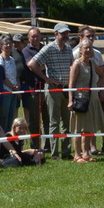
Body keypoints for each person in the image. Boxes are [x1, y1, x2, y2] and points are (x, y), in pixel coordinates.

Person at [30, 25, 76, 158]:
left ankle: (66, 153)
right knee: (54, 122)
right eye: (63, 33)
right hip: (53, 89)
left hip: (66, 88)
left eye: (67, 33)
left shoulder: (68, 49)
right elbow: (32, 64)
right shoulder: (49, 48)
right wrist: (46, 78)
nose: (66, 35)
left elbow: (72, 65)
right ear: (56, 34)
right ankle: (55, 153)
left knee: (67, 121)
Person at [68, 31, 104, 162]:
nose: (89, 50)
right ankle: (77, 155)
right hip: (80, 99)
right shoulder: (76, 64)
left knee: (88, 128)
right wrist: (70, 100)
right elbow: (71, 84)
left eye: (90, 47)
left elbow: (102, 75)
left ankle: (86, 154)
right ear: (80, 50)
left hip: (92, 99)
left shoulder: (92, 64)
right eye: (86, 48)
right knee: (78, 128)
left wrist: (99, 88)